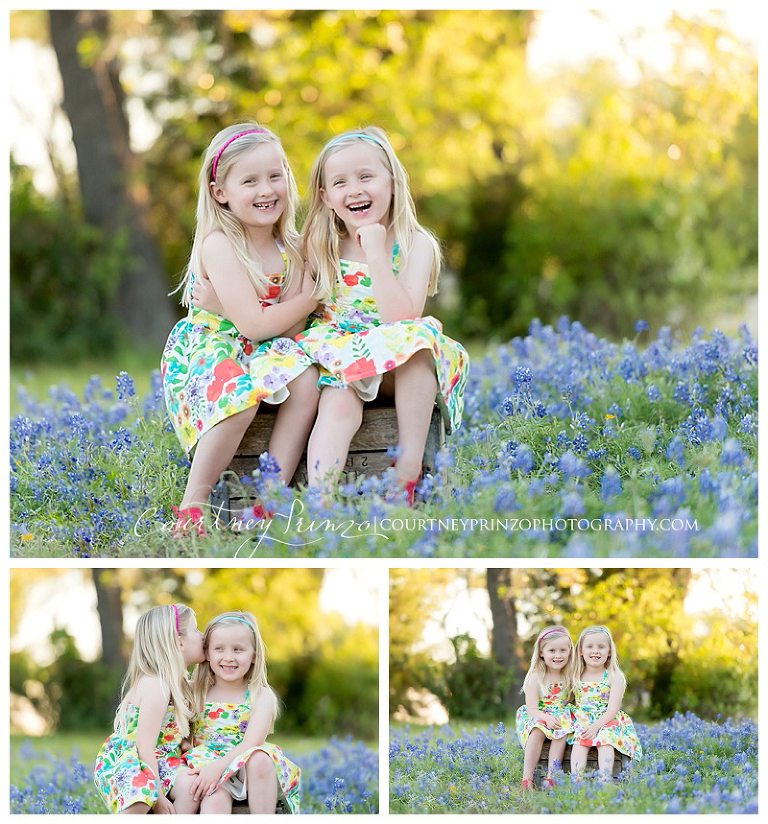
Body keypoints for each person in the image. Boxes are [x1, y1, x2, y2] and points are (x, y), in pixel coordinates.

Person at [296, 126, 469, 503]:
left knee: (419, 352)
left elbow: (400, 322)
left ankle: (406, 477)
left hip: (392, 364)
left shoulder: (414, 243)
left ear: (392, 182)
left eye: (366, 176)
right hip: (340, 359)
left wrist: (375, 252)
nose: (354, 189)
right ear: (326, 197)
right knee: (338, 403)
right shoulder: (321, 242)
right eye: (340, 182)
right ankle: (320, 501)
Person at [161, 123, 319, 536]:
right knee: (241, 400)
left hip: (266, 343)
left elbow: (291, 329)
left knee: (307, 384)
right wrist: (311, 298)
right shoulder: (220, 244)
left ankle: (270, 500)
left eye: (275, 176)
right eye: (250, 180)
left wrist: (277, 312)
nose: (266, 189)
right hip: (212, 347)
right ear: (220, 192)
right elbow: (254, 322)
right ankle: (193, 508)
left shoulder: (294, 247)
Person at [175, 611, 301, 814]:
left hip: (245, 768)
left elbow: (251, 743)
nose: (228, 657)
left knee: (260, 758)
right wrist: (184, 744)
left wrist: (218, 768)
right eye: (219, 649)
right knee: (214, 801)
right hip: (205, 763)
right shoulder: (195, 690)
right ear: (207, 653)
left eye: (238, 649)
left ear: (254, 656)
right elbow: (174, 730)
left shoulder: (260, 695)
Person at [93, 604, 205, 814]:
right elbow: (144, 747)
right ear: (179, 642)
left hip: (163, 760)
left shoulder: (180, 684)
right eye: (196, 630)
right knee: (144, 795)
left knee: (191, 787)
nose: (202, 636)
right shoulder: (157, 685)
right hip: (130, 760)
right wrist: (159, 796)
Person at [568, 625, 643, 778]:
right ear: (581, 651)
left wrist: (596, 727)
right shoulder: (576, 674)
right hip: (583, 719)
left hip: (607, 719)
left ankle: (605, 780)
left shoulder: (614, 676)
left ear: (609, 652)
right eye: (589, 646)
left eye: (601, 647)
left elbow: (612, 709)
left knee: (606, 739)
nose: (595, 651)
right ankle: (576, 781)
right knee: (579, 742)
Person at [515, 626, 575, 790]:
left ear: (570, 651)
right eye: (552, 650)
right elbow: (531, 709)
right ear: (541, 652)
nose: (558, 655)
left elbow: (572, 699)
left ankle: (551, 778)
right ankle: (527, 779)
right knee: (538, 731)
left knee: (561, 732)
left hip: (560, 716)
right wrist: (546, 718)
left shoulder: (570, 674)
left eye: (563, 650)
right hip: (537, 715)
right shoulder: (536, 676)